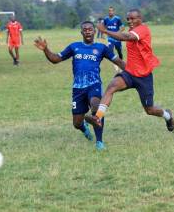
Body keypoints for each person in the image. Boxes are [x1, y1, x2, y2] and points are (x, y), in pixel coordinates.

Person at [85, 9, 174, 143]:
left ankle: (168, 116)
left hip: (144, 77)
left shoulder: (143, 29)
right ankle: (98, 117)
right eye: (128, 19)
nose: (130, 21)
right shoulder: (132, 30)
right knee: (111, 87)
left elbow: (126, 37)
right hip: (130, 73)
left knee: (149, 110)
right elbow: (125, 36)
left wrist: (104, 31)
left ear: (140, 18)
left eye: (133, 19)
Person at [34, 21, 126, 151]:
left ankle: (99, 142)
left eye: (90, 29)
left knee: (96, 106)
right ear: (81, 32)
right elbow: (55, 59)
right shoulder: (74, 47)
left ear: (94, 31)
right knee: (76, 123)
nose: (88, 31)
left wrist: (133, 72)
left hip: (94, 85)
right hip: (78, 88)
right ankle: (83, 126)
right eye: (85, 29)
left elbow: (118, 61)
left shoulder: (101, 48)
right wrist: (46, 50)